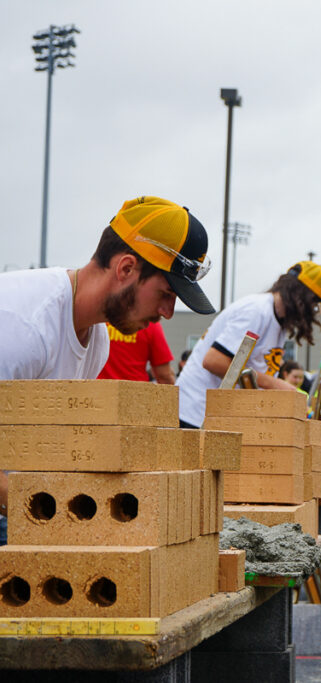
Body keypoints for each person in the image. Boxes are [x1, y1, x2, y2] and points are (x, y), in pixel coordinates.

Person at [0, 195, 214, 544]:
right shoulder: (24, 326)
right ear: (126, 268)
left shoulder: (96, 340)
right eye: (165, 293)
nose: (168, 312)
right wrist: (54, 518)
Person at [176, 261, 321, 428]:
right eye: (313, 303)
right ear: (300, 296)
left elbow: (258, 372)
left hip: (216, 414)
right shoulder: (256, 311)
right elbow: (213, 361)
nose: (312, 310)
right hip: (194, 411)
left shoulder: (279, 324)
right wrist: (273, 384)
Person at [98, 320, 176, 384]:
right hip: (135, 395)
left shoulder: (99, 319)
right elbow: (164, 376)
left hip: (96, 393)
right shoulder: (148, 323)